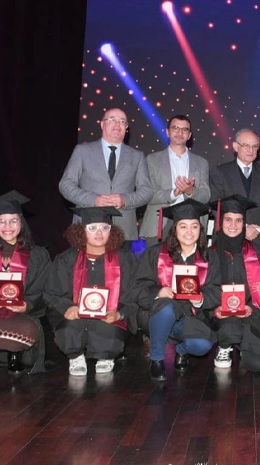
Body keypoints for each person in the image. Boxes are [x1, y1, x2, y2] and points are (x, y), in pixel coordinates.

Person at [44, 207, 139, 376]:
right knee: (69, 328)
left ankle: (106, 356)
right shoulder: (66, 259)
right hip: (77, 314)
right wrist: (67, 307)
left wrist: (120, 314)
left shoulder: (125, 258)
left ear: (112, 231)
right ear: (81, 231)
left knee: (110, 330)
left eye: (104, 227)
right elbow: (52, 291)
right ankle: (76, 356)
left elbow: (134, 292)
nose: (99, 232)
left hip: (109, 315)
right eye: (92, 228)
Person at [132, 200, 217, 381]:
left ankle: (181, 349)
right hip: (156, 314)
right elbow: (137, 285)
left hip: (190, 317)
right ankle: (156, 358)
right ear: (174, 229)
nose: (189, 232)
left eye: (194, 226)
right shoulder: (155, 253)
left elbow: (216, 289)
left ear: (200, 230)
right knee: (167, 307)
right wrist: (158, 292)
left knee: (202, 346)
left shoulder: (210, 257)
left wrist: (201, 299)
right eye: (183, 226)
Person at [59, 108, 153, 244]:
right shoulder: (82, 151)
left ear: (126, 128)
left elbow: (147, 191)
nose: (117, 124)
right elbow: (66, 185)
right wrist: (93, 199)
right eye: (112, 119)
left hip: (123, 230)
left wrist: (125, 200)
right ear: (102, 124)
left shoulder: (137, 156)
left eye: (122, 121)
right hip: (87, 226)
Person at [205, 195, 260, 372]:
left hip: (250, 313)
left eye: (238, 220)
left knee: (256, 364)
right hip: (220, 315)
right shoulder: (209, 254)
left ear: (244, 223)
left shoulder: (259, 253)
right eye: (228, 219)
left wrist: (252, 307)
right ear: (220, 222)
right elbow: (205, 288)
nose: (233, 225)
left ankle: (244, 341)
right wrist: (215, 309)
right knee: (229, 328)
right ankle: (224, 345)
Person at [0, 191, 51, 373]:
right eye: (1, 221)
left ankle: (15, 355)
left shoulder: (38, 255)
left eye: (14, 220)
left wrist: (27, 304)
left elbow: (43, 288)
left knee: (26, 329)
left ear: (22, 223)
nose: (8, 226)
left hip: (21, 314)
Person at [139, 115, 211, 245]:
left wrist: (190, 191)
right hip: (159, 223)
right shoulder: (152, 160)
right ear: (167, 132)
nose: (180, 132)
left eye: (184, 130)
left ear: (189, 135)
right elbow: (147, 194)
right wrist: (174, 193)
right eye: (175, 128)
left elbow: (206, 196)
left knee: (192, 259)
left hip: (191, 224)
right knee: (156, 258)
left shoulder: (201, 162)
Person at [210, 128, 260, 250]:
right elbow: (216, 206)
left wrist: (256, 228)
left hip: (257, 238)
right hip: (229, 237)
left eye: (255, 146)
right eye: (246, 146)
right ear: (235, 146)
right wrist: (242, 227)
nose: (251, 150)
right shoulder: (220, 172)